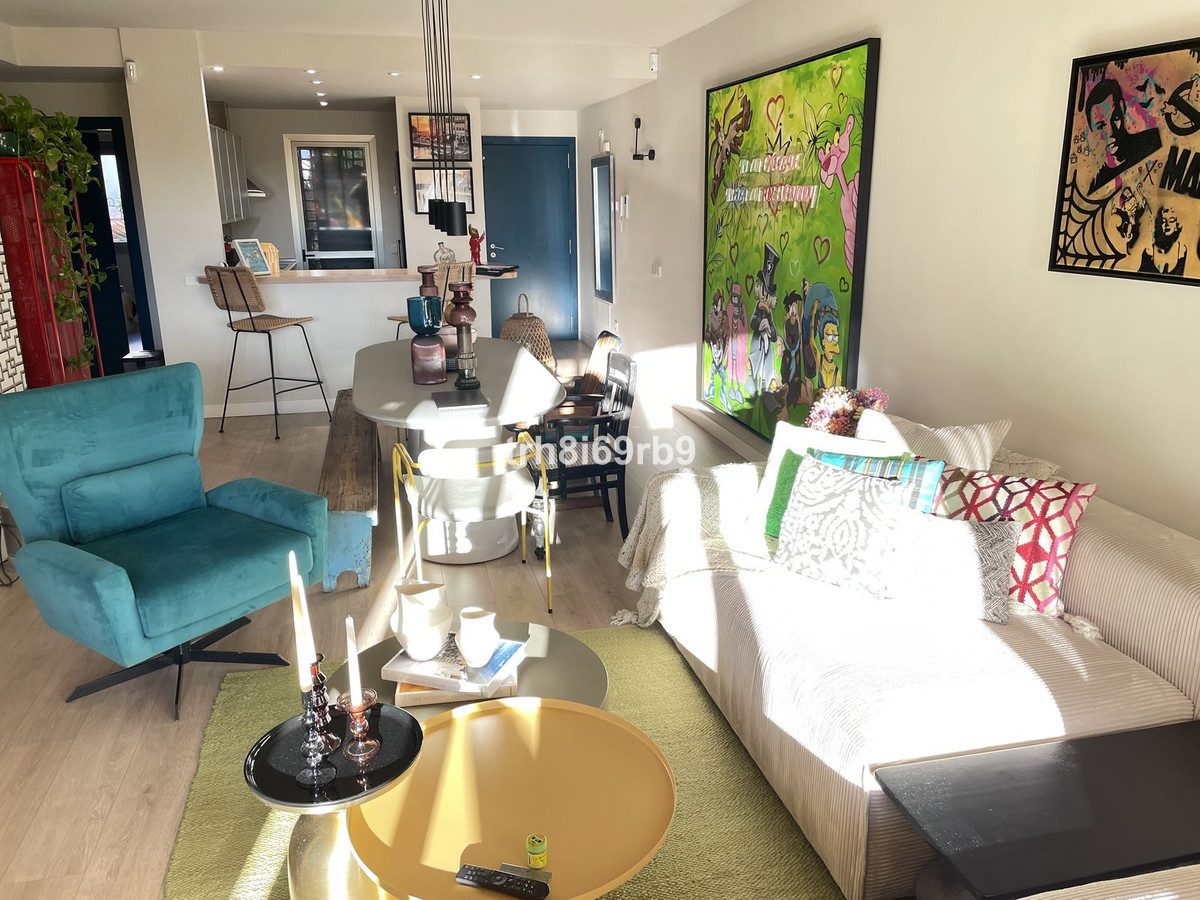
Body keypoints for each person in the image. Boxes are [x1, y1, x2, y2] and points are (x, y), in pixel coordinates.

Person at [1085, 78, 1162, 195]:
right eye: (1101, 126)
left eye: (1115, 118)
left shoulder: (1153, 142)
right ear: (1091, 131)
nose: (1111, 132)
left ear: (1122, 108)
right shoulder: (1097, 185)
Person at [747, 243, 780, 396]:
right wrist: (760, 324)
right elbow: (752, 321)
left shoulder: (769, 312)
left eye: (769, 294)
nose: (766, 297)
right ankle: (752, 386)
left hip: (767, 346)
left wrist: (770, 329)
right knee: (754, 364)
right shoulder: (757, 307)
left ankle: (767, 391)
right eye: (764, 292)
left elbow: (774, 334)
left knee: (767, 368)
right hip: (757, 343)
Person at [1139, 205, 1188, 275]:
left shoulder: (1182, 251)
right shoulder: (1149, 250)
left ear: (1177, 225)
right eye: (1163, 221)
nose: (1167, 225)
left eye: (1171, 221)